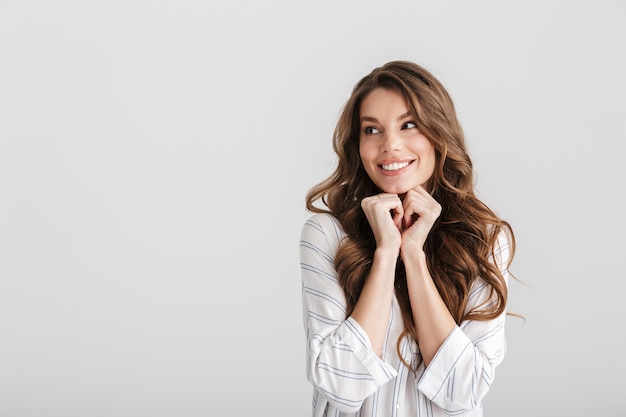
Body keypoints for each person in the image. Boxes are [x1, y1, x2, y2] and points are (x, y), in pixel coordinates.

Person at [299, 60, 516, 417]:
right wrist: (386, 253)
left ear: (438, 133)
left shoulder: (486, 239)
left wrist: (413, 254)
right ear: (358, 144)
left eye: (408, 125)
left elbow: (464, 391)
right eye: (372, 130)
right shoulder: (326, 235)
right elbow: (341, 387)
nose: (390, 145)